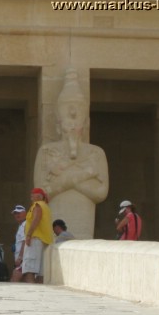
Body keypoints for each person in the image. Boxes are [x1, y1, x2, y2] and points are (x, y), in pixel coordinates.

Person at [33, 68, 108, 239]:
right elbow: (41, 192)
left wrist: (67, 180)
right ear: (58, 126)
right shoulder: (46, 152)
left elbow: (101, 192)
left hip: (84, 218)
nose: (73, 118)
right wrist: (82, 176)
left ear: (86, 123)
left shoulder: (96, 153)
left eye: (77, 117)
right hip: (56, 214)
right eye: (68, 117)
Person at [23, 188, 53, 284]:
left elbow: (36, 219)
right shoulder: (46, 206)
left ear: (40, 196)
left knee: (29, 269)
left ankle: (31, 289)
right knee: (41, 272)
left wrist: (28, 235)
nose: (31, 195)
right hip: (44, 240)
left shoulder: (38, 205)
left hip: (35, 239)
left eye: (34, 193)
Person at [10, 205, 27, 282]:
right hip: (22, 260)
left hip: (23, 260)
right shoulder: (21, 226)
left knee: (14, 280)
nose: (17, 215)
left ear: (25, 213)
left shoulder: (25, 225)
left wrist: (20, 257)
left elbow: (25, 241)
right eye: (15, 213)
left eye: (19, 213)